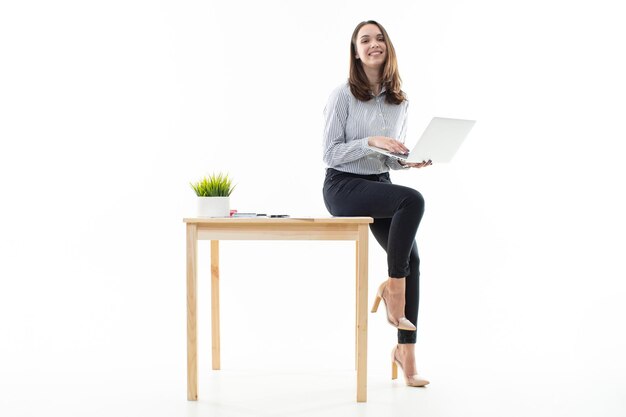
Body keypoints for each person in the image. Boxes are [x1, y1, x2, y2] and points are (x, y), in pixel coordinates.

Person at [322, 20, 431, 387]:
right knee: (412, 202)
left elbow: (388, 158)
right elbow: (330, 153)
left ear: (388, 47)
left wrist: (406, 160)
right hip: (343, 186)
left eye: (379, 38)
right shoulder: (342, 95)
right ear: (356, 52)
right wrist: (372, 140)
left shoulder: (400, 101)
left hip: (378, 183)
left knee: (412, 260)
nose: (374, 44)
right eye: (365, 40)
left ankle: (407, 353)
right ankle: (392, 288)